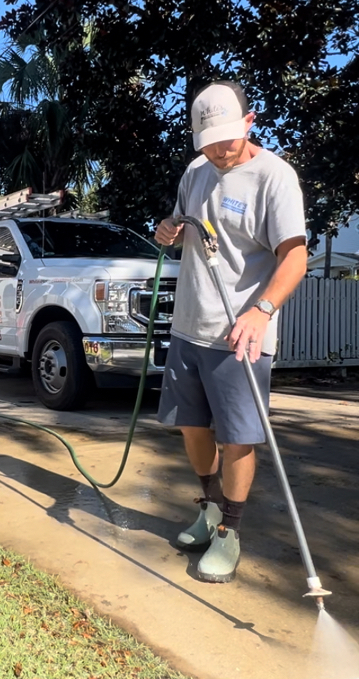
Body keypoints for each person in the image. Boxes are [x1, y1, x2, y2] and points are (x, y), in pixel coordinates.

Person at [154, 80, 307, 583]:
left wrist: (262, 310)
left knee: (238, 439)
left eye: (228, 137)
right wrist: (167, 231)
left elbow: (296, 256)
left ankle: (230, 533)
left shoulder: (274, 177)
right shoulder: (196, 171)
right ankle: (210, 508)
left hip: (240, 335)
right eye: (208, 141)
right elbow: (178, 226)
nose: (220, 150)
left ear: (249, 121)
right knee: (192, 427)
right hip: (188, 329)